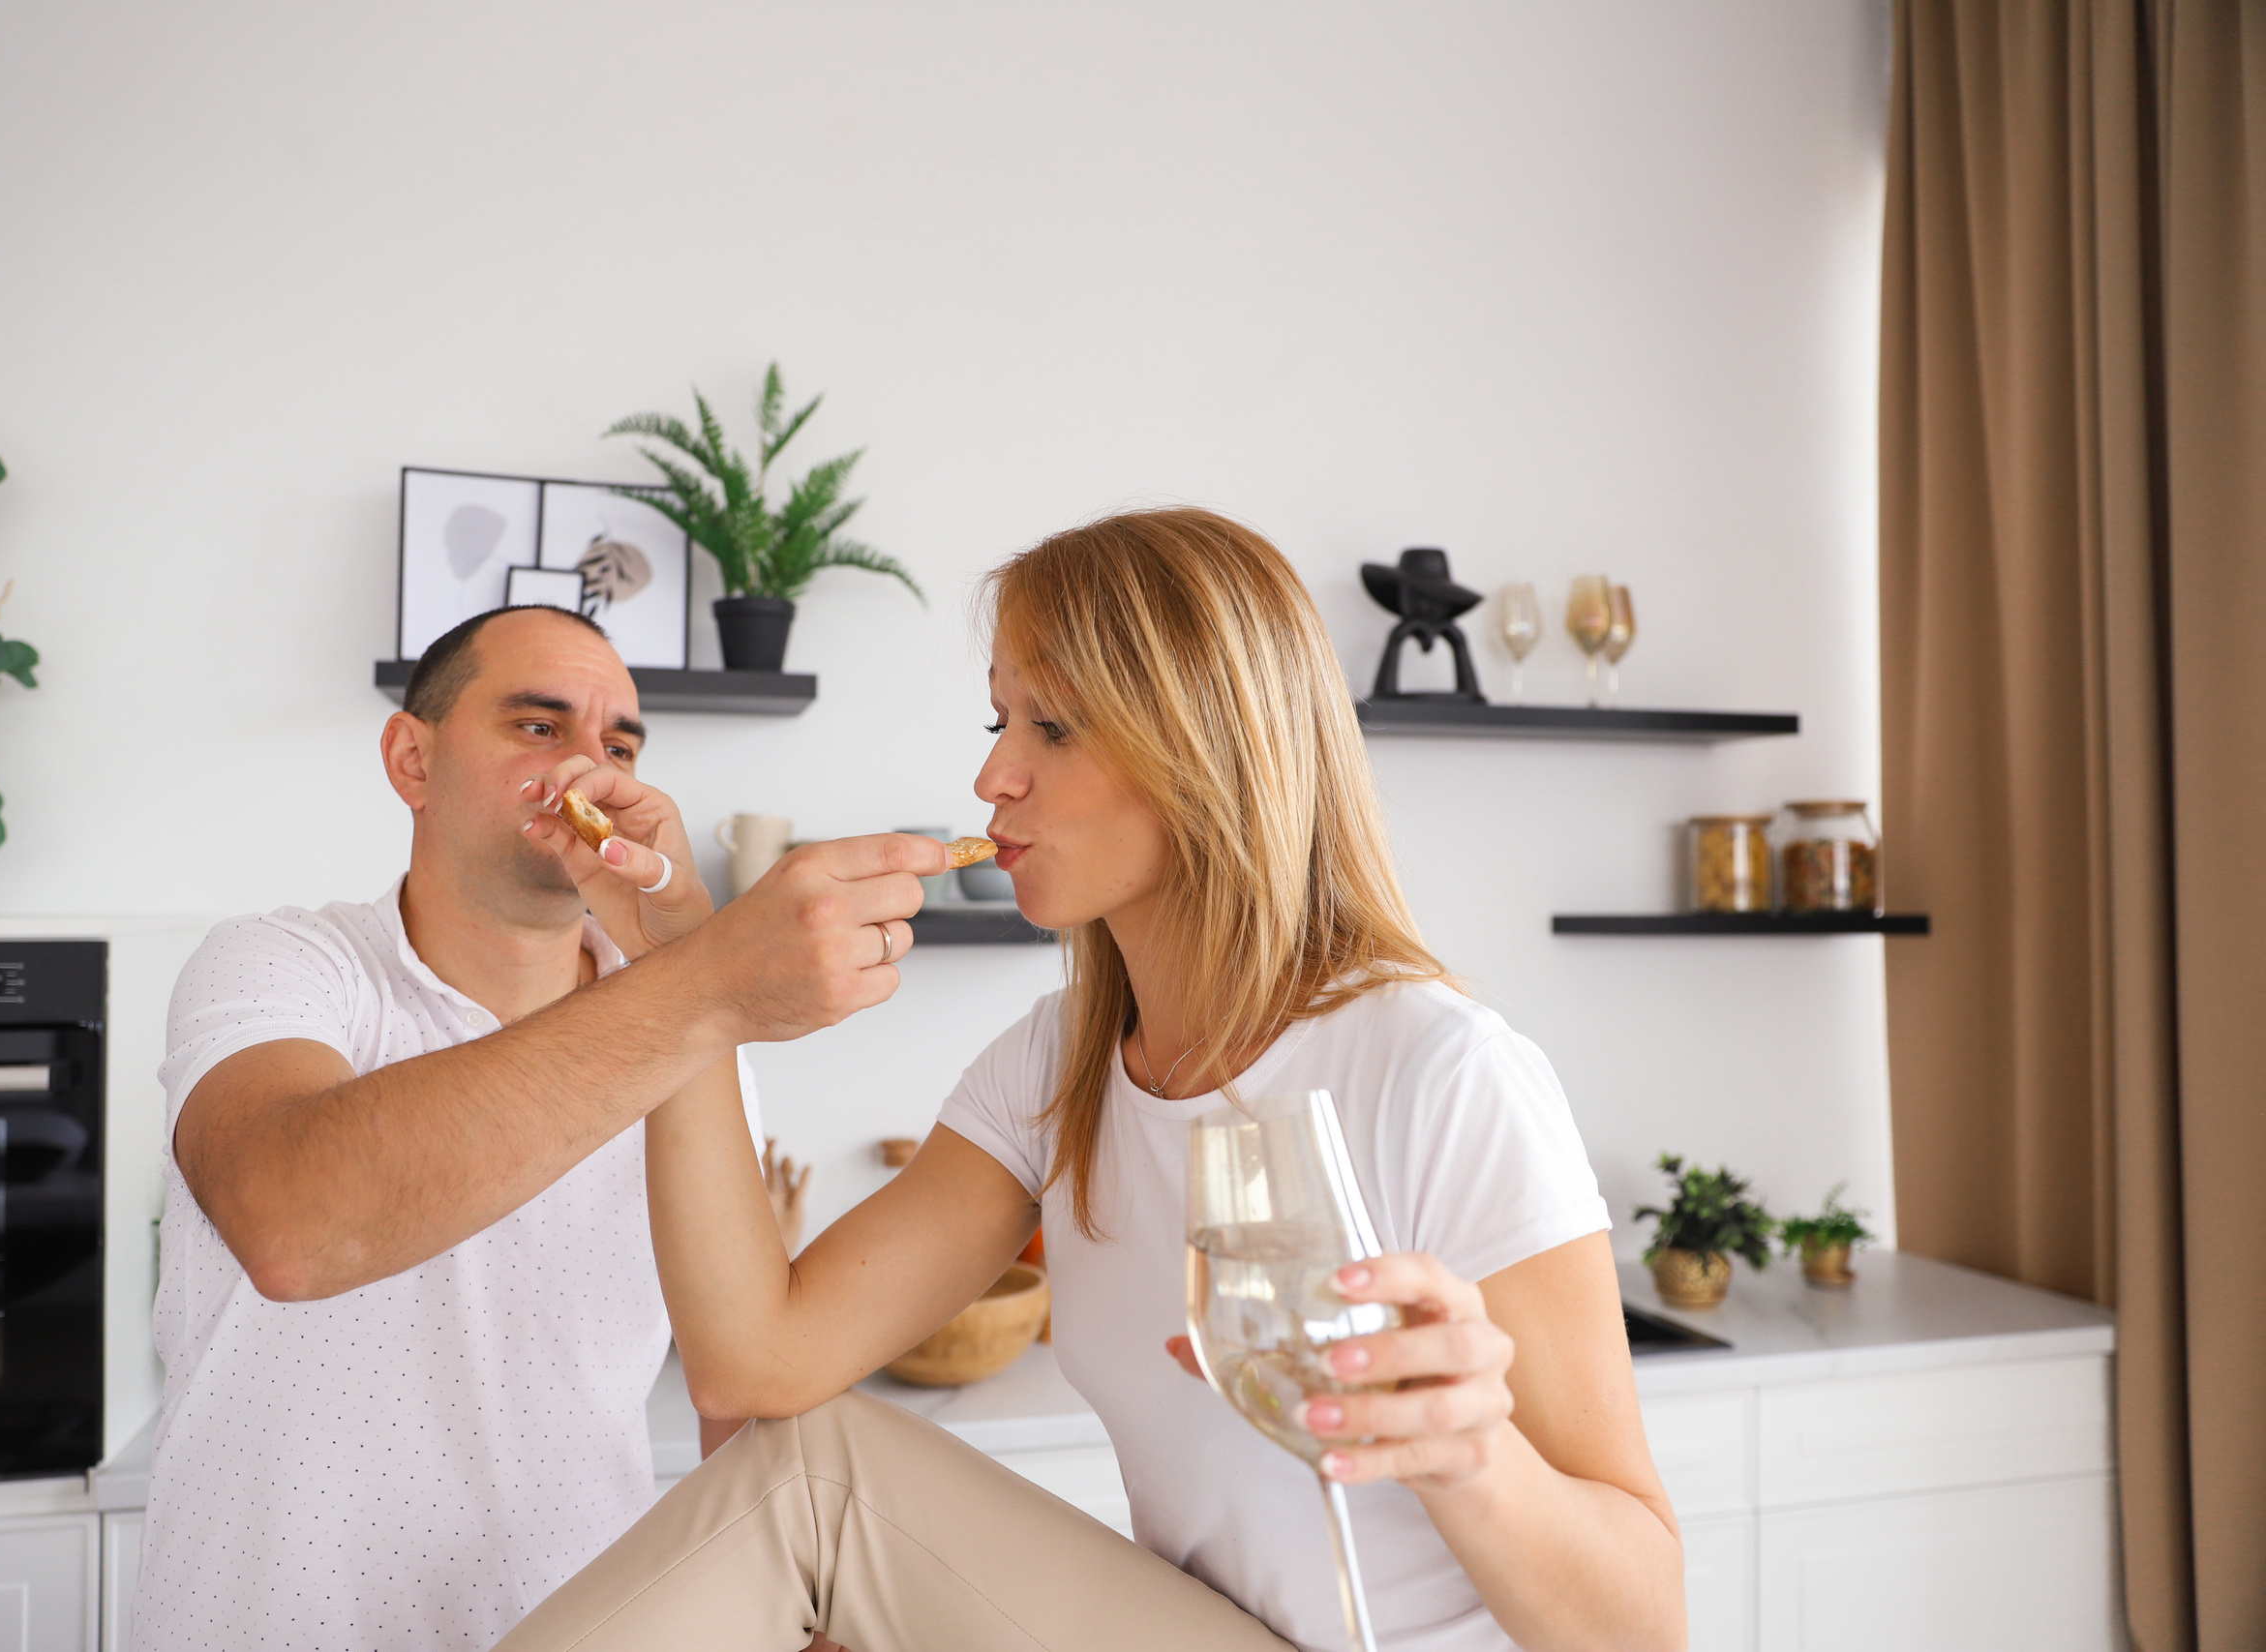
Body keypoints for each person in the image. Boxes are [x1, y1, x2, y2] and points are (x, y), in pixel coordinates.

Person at [497, 510, 1686, 1652]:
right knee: (800, 1452)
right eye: (996, 723)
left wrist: (1470, 1453)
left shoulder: (1439, 1072)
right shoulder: (1052, 1069)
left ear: (1201, 747)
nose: (994, 781)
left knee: (819, 1478)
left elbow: (1647, 1627)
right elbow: (756, 1360)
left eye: (1052, 730)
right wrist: (683, 965)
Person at [133, 605, 946, 1650]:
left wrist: (798, 1603)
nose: (588, 773)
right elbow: (298, 1227)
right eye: (536, 727)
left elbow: (731, 1388)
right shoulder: (279, 965)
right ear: (411, 759)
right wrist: (701, 979)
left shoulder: (695, 1030)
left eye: (619, 744)